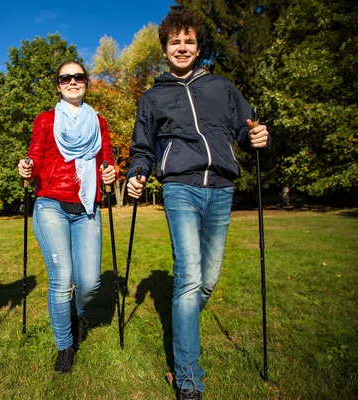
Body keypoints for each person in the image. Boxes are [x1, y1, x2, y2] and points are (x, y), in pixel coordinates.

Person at [126, 10, 269, 400]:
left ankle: (182, 321)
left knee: (207, 281)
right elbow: (143, 147)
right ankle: (189, 378)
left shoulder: (221, 87)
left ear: (198, 46)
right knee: (188, 278)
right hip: (180, 188)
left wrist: (258, 137)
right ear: (166, 48)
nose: (182, 47)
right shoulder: (153, 96)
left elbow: (247, 128)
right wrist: (137, 172)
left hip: (221, 188)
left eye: (189, 41)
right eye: (175, 42)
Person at [17, 60, 116, 373]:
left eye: (78, 77)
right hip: (51, 204)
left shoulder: (99, 122)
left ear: (86, 82)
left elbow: (107, 160)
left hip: (87, 205)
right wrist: (27, 167)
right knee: (61, 280)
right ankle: (65, 346)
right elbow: (34, 155)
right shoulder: (45, 120)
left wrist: (111, 172)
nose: (72, 82)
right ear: (58, 85)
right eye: (65, 78)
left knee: (89, 282)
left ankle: (75, 314)